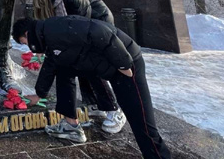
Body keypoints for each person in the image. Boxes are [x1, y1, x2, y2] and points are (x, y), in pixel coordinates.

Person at [12, 16, 171, 159]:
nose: (28, 47)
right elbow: (51, 64)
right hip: (112, 67)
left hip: (127, 65)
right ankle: (70, 124)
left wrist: (123, 63)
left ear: (27, 34)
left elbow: (98, 30)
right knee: (63, 70)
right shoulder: (48, 34)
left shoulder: (55, 28)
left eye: (25, 43)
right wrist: (39, 94)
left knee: (141, 123)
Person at [32, 0, 126, 133]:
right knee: (75, 64)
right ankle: (95, 103)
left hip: (99, 25)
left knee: (90, 66)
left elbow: (84, 28)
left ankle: (115, 110)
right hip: (83, 28)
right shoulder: (56, 3)